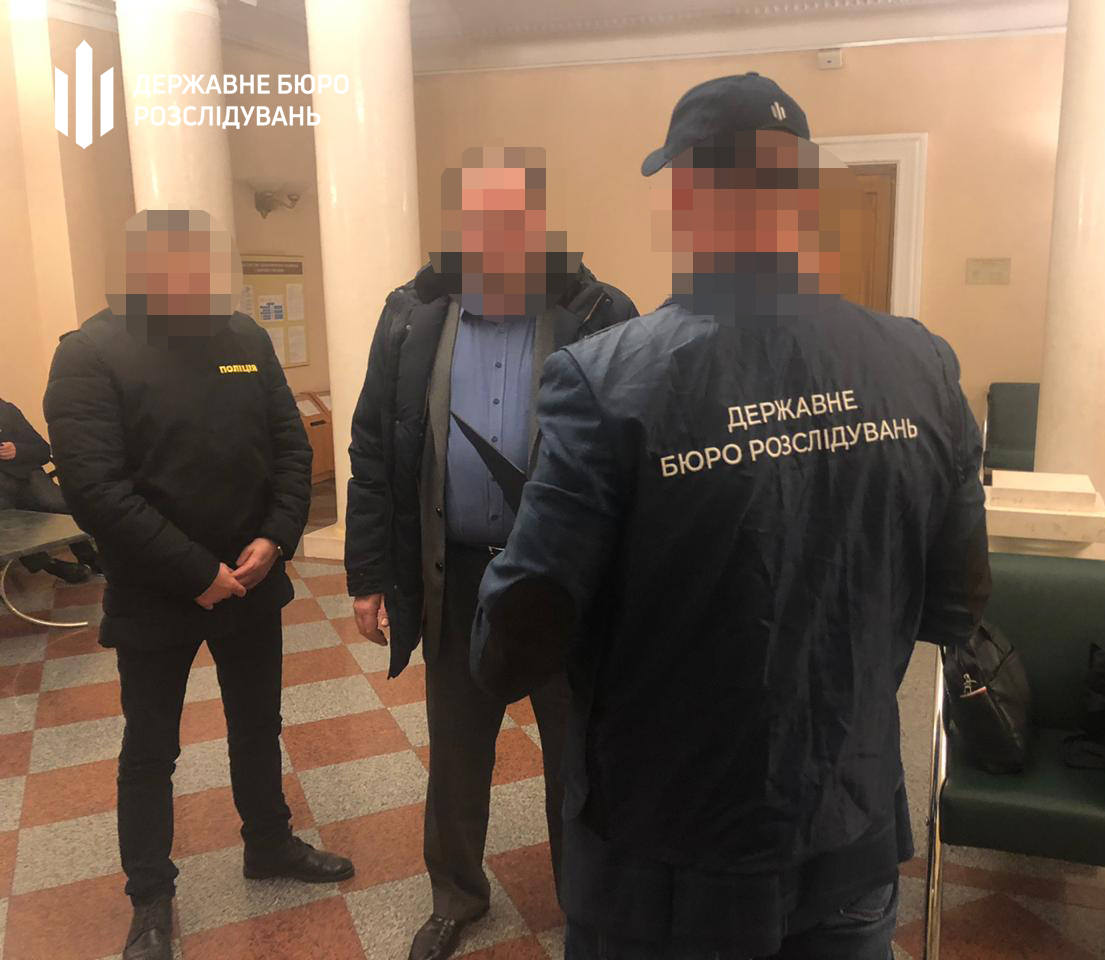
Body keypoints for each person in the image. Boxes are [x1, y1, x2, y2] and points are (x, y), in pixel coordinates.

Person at [471, 74, 991, 960]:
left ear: (685, 197)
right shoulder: (921, 364)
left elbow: (515, 644)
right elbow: (957, 604)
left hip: (666, 864)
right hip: (848, 835)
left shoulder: (606, 380)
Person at [344, 146, 637, 960]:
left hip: (563, 575)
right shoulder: (412, 317)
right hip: (456, 573)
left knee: (578, 751)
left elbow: (638, 452)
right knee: (457, 750)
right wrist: (369, 575)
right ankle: (457, 895)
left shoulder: (599, 312)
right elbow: (374, 448)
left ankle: (587, 900)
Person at [44, 209, 354, 960]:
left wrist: (275, 538)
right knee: (151, 749)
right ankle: (151, 897)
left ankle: (269, 843)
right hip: (156, 593)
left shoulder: (243, 340)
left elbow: (291, 448)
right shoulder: (89, 353)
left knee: (258, 726)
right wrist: (195, 573)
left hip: (252, 580)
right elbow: (95, 489)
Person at [0, 396, 99, 582]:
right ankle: (51, 565)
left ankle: (88, 555)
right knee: (7, 526)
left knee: (57, 503)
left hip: (27, 476)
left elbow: (43, 450)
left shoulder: (6, 410)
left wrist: (18, 450)